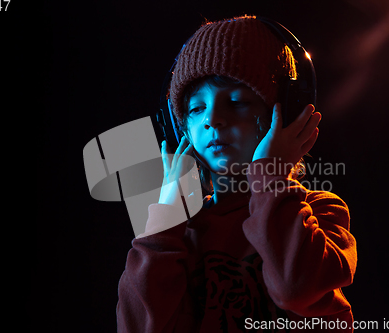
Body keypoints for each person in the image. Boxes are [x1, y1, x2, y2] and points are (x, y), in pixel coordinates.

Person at [116, 15, 357, 332]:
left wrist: (271, 174)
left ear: (284, 116)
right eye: (196, 109)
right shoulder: (177, 236)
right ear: (179, 128)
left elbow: (295, 288)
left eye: (237, 101)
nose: (212, 119)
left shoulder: (321, 212)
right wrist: (165, 220)